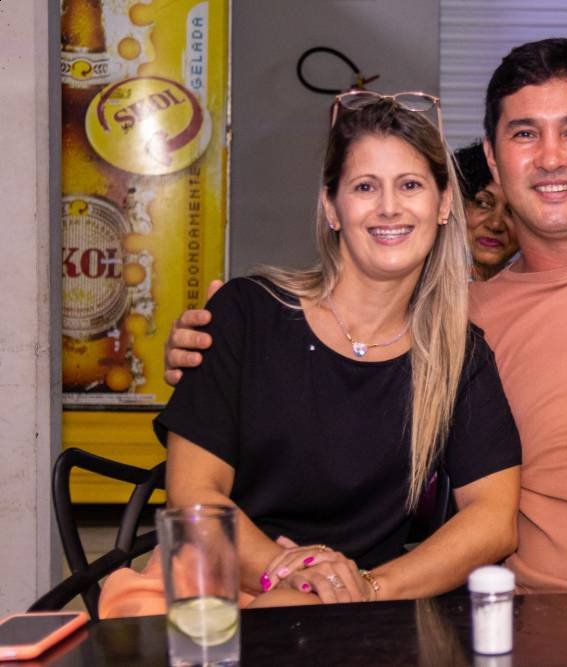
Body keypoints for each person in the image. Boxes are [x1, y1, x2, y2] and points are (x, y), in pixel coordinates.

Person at [165, 39, 567, 593]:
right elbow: (338, 368)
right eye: (525, 134)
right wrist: (219, 346)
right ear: (491, 158)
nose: (550, 157)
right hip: (555, 619)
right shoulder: (458, 325)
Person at [100, 93, 521, 617]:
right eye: (364, 187)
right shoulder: (246, 314)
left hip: (355, 611)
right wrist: (291, 575)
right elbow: (193, 496)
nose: (389, 207)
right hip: (213, 591)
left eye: (410, 185)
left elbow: (492, 519)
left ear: (442, 205)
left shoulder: (459, 355)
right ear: (331, 207)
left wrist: (366, 588)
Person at [454, 140, 519, 280]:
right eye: (483, 204)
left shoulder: (535, 289)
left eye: (513, 212)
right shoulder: (420, 286)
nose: (496, 224)